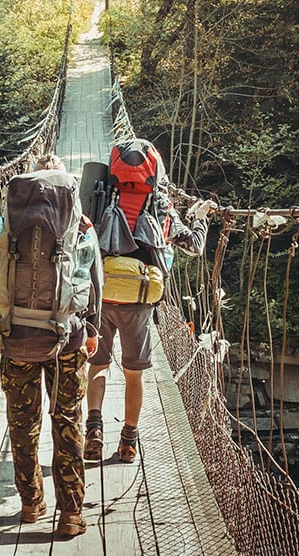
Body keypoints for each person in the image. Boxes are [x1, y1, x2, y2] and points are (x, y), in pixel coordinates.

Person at [0, 153, 102, 537]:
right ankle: (71, 514)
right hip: (66, 341)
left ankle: (32, 504)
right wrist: (92, 331)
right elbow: (94, 285)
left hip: (14, 339)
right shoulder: (80, 228)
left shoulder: (4, 226)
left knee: (23, 425)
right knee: (67, 421)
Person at [84, 162, 216, 464]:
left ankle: (93, 430)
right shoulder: (162, 209)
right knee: (134, 374)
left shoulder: (101, 200)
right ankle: (128, 442)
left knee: (98, 366)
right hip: (140, 302)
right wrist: (200, 219)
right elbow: (194, 246)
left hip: (102, 297)